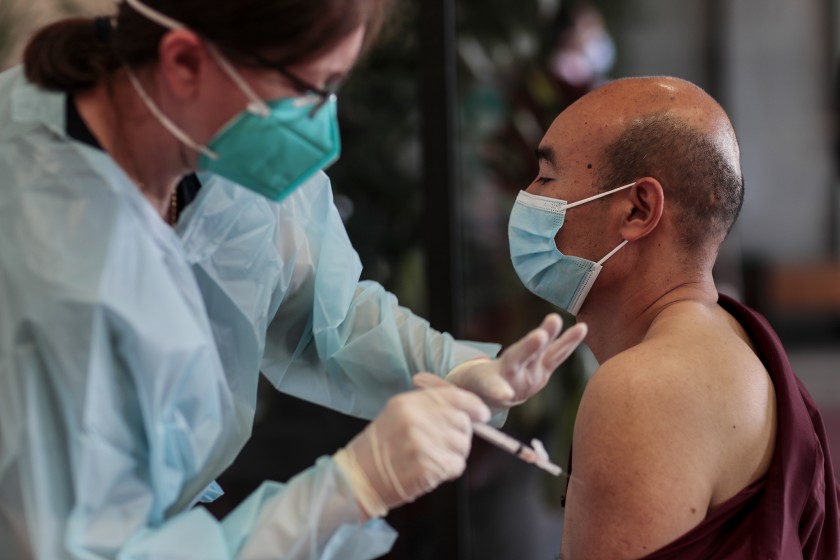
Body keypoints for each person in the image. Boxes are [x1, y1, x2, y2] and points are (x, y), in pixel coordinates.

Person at [0, 1, 589, 558]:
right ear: (183, 62)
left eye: (334, 87)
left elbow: (321, 309)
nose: (319, 123)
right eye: (308, 91)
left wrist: (457, 367)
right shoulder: (56, 266)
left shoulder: (218, 148)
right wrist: (353, 486)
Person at [507, 75, 840, 559]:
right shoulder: (734, 335)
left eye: (546, 178)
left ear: (639, 209)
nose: (527, 197)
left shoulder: (644, 388)